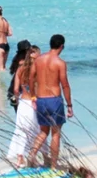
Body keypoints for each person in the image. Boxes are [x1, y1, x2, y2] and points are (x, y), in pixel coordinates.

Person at [27, 34, 73, 164]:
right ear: (62, 46)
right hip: (54, 100)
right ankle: (53, 165)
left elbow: (31, 78)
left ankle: (31, 155)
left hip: (41, 99)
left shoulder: (38, 60)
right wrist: (69, 105)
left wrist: (33, 96)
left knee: (43, 132)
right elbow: (65, 85)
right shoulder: (60, 63)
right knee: (56, 133)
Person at [4, 39, 41, 165]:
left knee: (21, 128)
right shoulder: (34, 68)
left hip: (20, 100)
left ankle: (20, 156)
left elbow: (15, 89)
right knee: (34, 128)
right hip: (30, 101)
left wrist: (18, 100)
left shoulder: (18, 65)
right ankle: (33, 155)